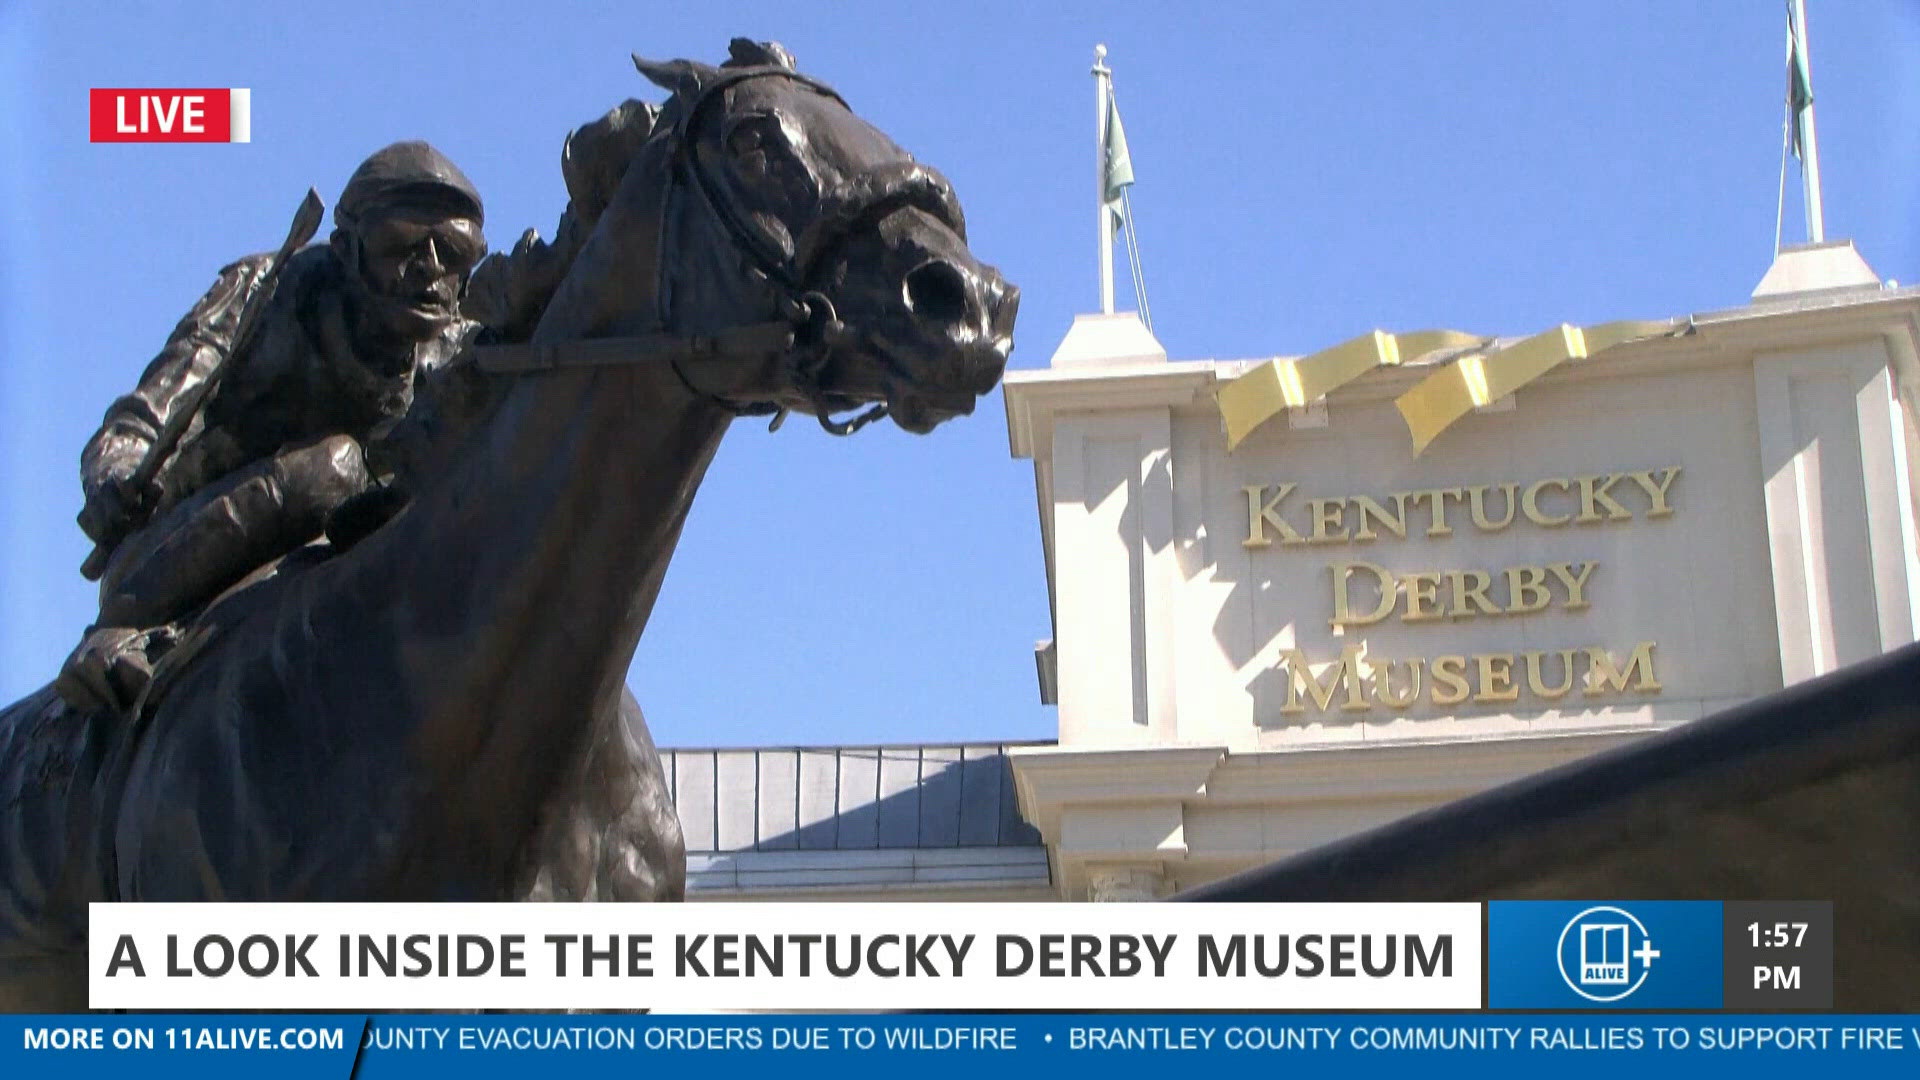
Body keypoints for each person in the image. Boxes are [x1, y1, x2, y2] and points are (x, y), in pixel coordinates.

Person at [56, 141, 487, 715]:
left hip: (335, 547)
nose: (430, 269)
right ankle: (121, 633)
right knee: (336, 466)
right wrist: (114, 478)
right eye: (400, 243)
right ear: (345, 249)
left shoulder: (457, 345)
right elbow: (145, 417)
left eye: (454, 250)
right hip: (174, 558)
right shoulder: (268, 289)